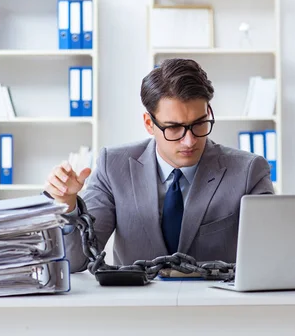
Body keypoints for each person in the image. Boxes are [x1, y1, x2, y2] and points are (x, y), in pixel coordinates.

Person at [45, 58, 274, 272]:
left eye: (199, 124)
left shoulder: (249, 171)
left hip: (217, 308)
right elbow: (76, 261)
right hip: (139, 309)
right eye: (174, 128)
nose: (189, 140)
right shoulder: (113, 167)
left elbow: (271, 257)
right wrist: (66, 204)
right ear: (149, 123)